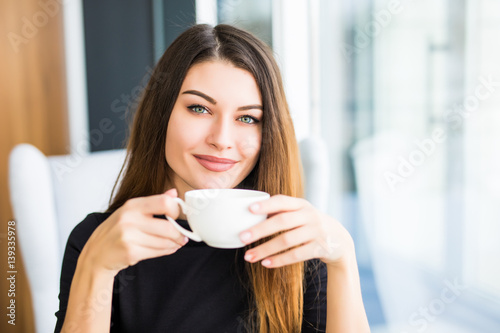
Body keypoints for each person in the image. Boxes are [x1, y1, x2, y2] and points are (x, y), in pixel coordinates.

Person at [55, 24, 370, 332]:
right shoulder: (99, 241)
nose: (222, 139)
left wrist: (344, 256)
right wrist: (96, 268)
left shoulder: (301, 244)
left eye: (247, 118)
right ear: (160, 115)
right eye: (199, 108)